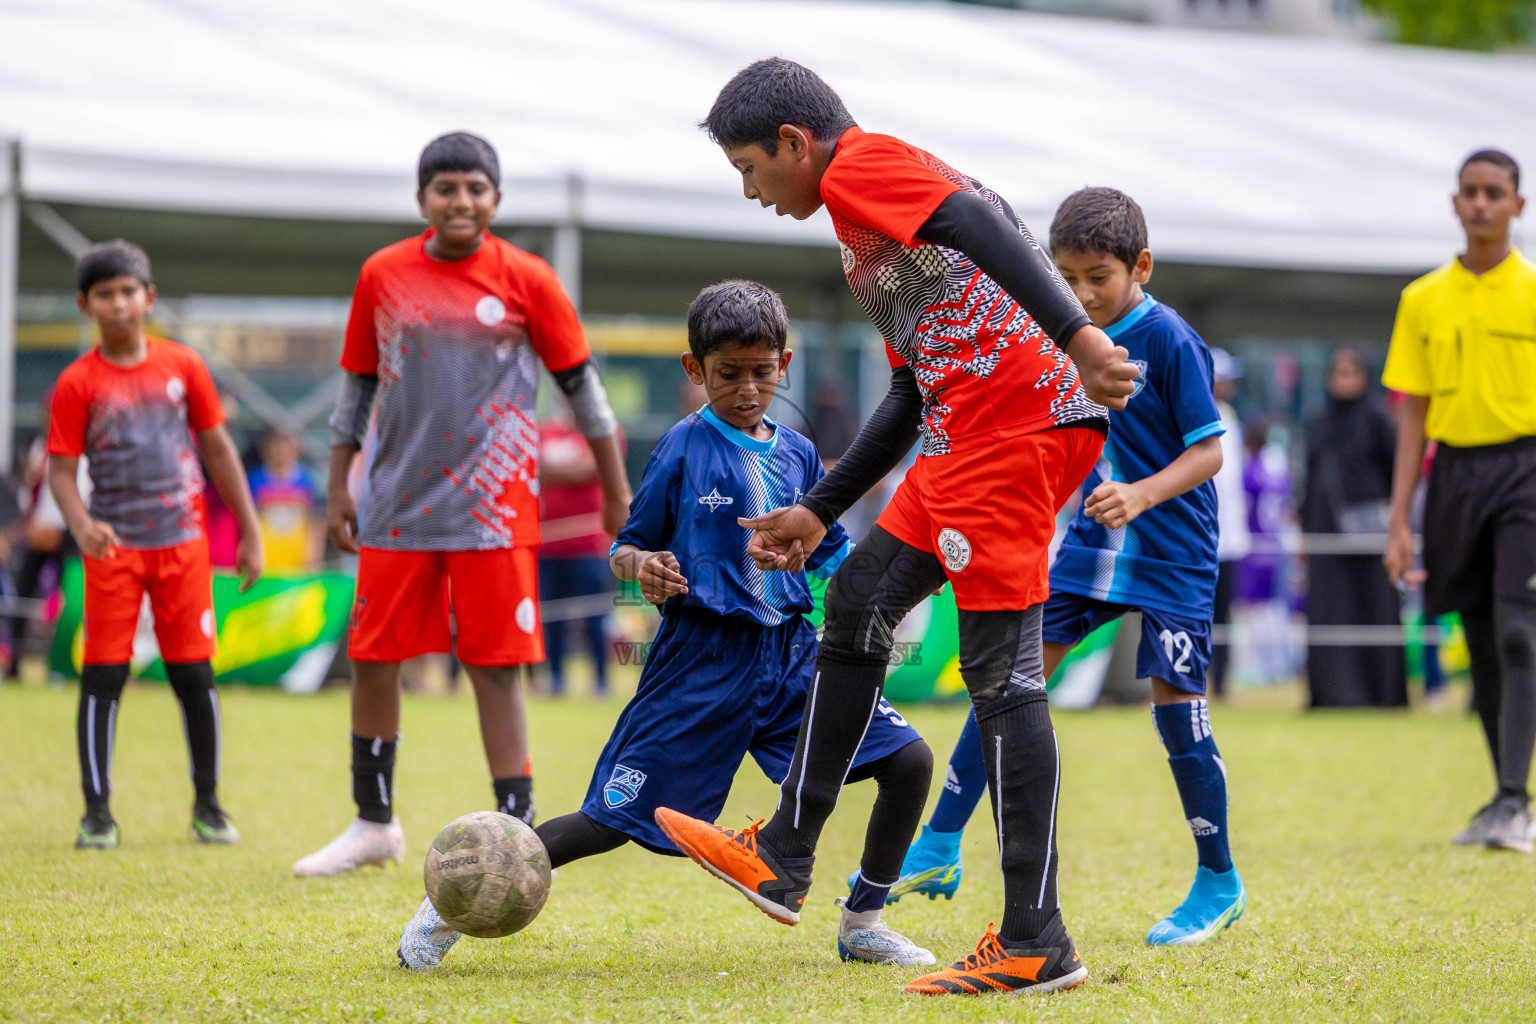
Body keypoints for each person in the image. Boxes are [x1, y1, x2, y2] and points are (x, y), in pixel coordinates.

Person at [653, 59, 1138, 997]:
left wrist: (1079, 337)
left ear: (796, 143)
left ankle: (1038, 938)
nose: (753, 193)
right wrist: (820, 507)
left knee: (1004, 675)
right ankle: (787, 850)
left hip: (1017, 428)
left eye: (752, 170)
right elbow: (916, 388)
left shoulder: (859, 167)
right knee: (858, 604)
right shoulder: (861, 224)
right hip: (963, 435)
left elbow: (983, 224)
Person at [396, 281, 937, 969]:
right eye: (727, 374)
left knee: (908, 760)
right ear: (694, 370)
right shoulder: (682, 449)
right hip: (699, 661)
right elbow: (627, 545)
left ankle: (864, 920)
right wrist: (642, 565)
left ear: (785, 365)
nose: (746, 389)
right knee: (610, 820)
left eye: (761, 373)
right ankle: (451, 905)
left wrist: (882, 581)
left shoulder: (800, 455)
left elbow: (829, 548)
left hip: (792, 654)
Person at [888, 187, 1243, 948]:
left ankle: (1218, 879)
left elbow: (1210, 449)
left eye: (1099, 278)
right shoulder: (1057, 334)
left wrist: (1143, 494)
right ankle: (941, 841)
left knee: (1176, 709)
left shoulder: (1171, 339)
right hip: (1085, 550)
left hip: (1173, 551)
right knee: (1009, 681)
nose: (1081, 294)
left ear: (1139, 267)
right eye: (1068, 276)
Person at [294, 132, 631, 877]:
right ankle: (373, 821)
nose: (461, 201)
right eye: (445, 189)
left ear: (496, 200)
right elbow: (355, 390)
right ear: (422, 200)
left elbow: (584, 390)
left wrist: (615, 491)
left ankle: (517, 832)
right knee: (374, 657)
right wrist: (337, 484)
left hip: (494, 513)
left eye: (476, 189)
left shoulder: (529, 278)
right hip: (396, 506)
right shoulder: (383, 275)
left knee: (495, 667)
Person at [48, 239, 264, 850]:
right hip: (113, 551)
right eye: (105, 295)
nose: (118, 305)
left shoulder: (183, 367)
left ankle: (209, 805)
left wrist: (249, 530)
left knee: (194, 675)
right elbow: (61, 473)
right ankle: (97, 814)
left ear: (149, 297)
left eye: (128, 292)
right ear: (85, 304)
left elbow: (218, 448)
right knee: (104, 676)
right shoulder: (76, 383)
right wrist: (83, 525)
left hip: (183, 545)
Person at [1382, 148, 1536, 852]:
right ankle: (1506, 795)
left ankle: (1513, 800)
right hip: (1454, 478)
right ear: (1455, 203)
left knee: (1515, 630)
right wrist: (1399, 522)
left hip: (1525, 470)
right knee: (1477, 636)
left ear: (1517, 206)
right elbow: (1413, 413)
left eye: (1494, 193)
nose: (1481, 203)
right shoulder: (1422, 299)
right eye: (1470, 192)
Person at [1301, 348, 1405, 708]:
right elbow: (1309, 476)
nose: (1344, 379)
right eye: (1338, 372)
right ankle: (1335, 694)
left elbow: (1397, 472)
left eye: (1351, 371)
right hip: (1326, 532)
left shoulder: (1377, 419)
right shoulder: (1319, 421)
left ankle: (1380, 693)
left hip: (1370, 536)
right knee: (1331, 610)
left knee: (1374, 607)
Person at [536, 414, 619, 697]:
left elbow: (589, 469)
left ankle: (600, 680)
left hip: (589, 546)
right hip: (548, 546)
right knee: (552, 618)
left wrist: (551, 471)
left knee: (594, 615)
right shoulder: (545, 432)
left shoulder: (603, 428)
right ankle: (556, 679)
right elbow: (530, 468)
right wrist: (567, 470)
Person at [1209, 349, 1250, 697]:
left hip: (1230, 536)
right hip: (1202, 536)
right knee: (1196, 613)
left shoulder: (1231, 418)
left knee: (1224, 616)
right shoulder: (1196, 412)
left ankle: (1221, 682)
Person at [247, 429, 323, 572]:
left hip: (298, 556)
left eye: (285, 449)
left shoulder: (306, 479)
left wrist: (313, 551)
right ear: (266, 450)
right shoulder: (255, 479)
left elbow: (315, 520)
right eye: (276, 449)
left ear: (295, 450)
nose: (280, 453)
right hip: (265, 555)